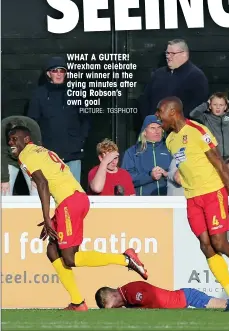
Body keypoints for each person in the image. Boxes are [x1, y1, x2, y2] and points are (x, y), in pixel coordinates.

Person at [7, 126, 148, 311]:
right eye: (9, 139)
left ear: (26, 139)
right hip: (74, 200)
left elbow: (42, 183)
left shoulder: (26, 155)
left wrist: (47, 218)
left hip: (69, 202)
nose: (11, 143)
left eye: (14, 138)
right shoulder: (41, 151)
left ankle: (126, 259)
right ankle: (77, 302)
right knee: (52, 250)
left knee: (70, 259)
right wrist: (52, 217)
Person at [156, 97, 229, 311]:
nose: (158, 116)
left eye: (160, 112)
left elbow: (220, 163)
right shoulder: (170, 140)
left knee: (220, 243)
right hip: (192, 198)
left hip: (213, 194)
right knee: (206, 246)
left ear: (173, 112)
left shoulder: (197, 131)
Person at [27, 56, 90, 183]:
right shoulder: (38, 95)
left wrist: (80, 141)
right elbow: (32, 123)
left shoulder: (75, 92)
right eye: (55, 71)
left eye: (62, 71)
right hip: (48, 155)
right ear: (48, 74)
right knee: (49, 192)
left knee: (73, 193)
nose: (59, 74)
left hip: (73, 153)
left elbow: (86, 119)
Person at [95, 280, 229, 310]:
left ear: (109, 298)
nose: (114, 309)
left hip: (186, 298)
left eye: (109, 306)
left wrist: (139, 310)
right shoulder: (128, 294)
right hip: (183, 298)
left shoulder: (130, 291)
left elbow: (153, 299)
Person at [138, 39, 209, 119]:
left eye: (172, 53)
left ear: (184, 54)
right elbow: (145, 100)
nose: (168, 56)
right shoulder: (158, 74)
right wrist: (150, 121)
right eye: (167, 53)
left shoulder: (196, 76)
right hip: (154, 127)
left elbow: (197, 107)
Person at [190, 92, 229, 158]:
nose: (218, 107)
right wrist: (206, 104)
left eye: (221, 105)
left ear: (225, 107)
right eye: (215, 104)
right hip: (214, 155)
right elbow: (192, 114)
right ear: (210, 106)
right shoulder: (206, 117)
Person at [122, 115, 172, 196]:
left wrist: (167, 174)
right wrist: (150, 176)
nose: (157, 131)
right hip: (143, 203)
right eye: (152, 128)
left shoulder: (170, 149)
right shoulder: (132, 152)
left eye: (159, 127)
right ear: (144, 132)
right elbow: (126, 179)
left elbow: (180, 173)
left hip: (168, 202)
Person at [1, 116, 41, 196]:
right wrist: (4, 179)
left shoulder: (33, 128)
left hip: (28, 159)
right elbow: (2, 155)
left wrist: (35, 177)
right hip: (9, 159)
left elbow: (37, 154)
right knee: (4, 190)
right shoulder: (1, 129)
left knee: (37, 187)